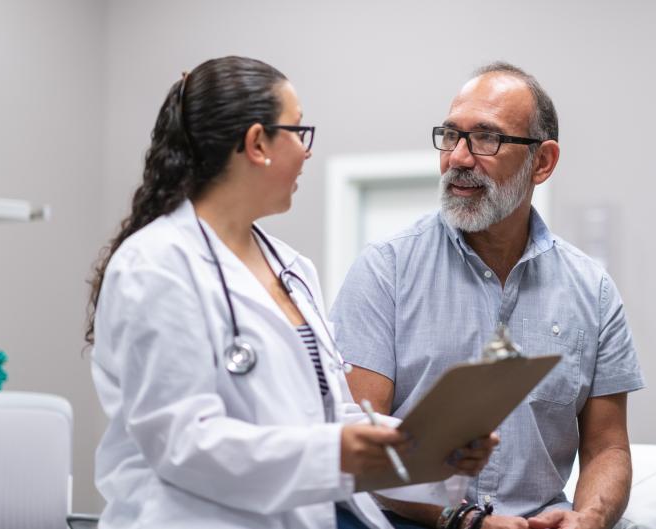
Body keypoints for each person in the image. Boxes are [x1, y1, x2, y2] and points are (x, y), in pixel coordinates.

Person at [85, 56, 497, 529]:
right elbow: (182, 443)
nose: (307, 151)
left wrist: (430, 447)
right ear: (257, 143)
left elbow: (326, 414)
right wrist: (333, 453)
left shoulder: (291, 268)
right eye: (298, 132)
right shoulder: (155, 265)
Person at [330, 62, 645, 529]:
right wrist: (466, 521)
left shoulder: (591, 291)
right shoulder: (386, 270)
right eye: (450, 135)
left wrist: (590, 518)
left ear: (543, 161)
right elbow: (359, 448)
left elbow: (607, 447)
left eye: (485, 138)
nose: (458, 157)